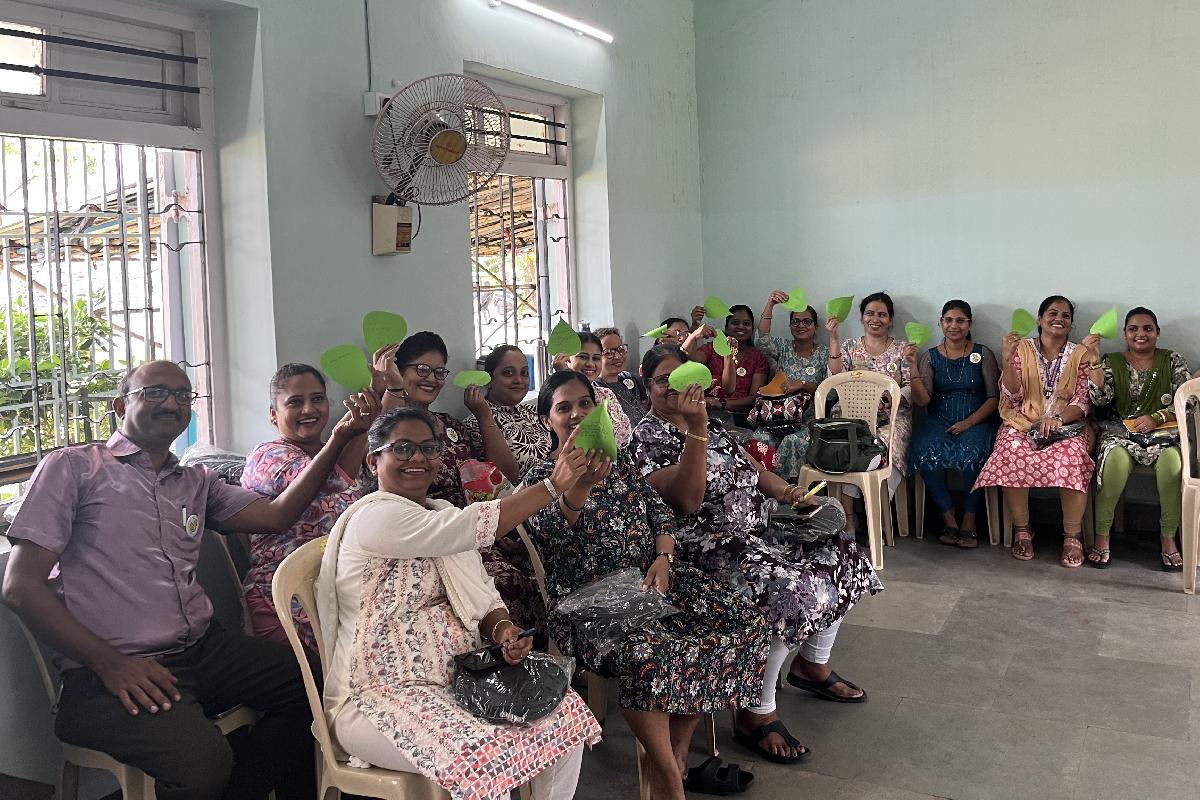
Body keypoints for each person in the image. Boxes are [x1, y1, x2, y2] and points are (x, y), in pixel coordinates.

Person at [2, 360, 379, 800]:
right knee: (203, 764)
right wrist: (111, 664)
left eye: (183, 395)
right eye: (155, 392)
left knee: (313, 687)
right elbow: (20, 586)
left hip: (203, 650)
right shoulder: (75, 468)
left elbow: (276, 516)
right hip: (107, 671)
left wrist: (340, 438)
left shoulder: (195, 482)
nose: (172, 403)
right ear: (120, 406)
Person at [318, 407, 601, 800]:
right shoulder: (375, 517)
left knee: (561, 716)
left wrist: (503, 631)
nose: (417, 458)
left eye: (428, 448)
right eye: (402, 448)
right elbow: (470, 528)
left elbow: (481, 594)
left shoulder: (440, 512)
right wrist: (552, 486)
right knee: (486, 758)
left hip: (461, 678)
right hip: (379, 695)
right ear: (373, 461)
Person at [522, 371, 770, 800]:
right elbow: (556, 535)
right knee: (647, 651)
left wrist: (663, 558)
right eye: (564, 407)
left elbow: (661, 515)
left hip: (651, 579)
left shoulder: (619, 463)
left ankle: (678, 747)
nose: (577, 414)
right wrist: (580, 486)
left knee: (743, 621)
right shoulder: (542, 479)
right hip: (589, 599)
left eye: (585, 403)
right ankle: (668, 776)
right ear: (548, 420)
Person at [631, 345, 882, 766]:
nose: (674, 389)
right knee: (788, 591)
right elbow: (688, 501)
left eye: (681, 379)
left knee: (842, 554)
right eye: (663, 381)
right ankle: (755, 712)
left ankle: (812, 665)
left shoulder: (712, 423)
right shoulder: (647, 439)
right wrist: (696, 430)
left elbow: (754, 470)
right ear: (647, 386)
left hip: (758, 531)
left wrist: (789, 492)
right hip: (705, 549)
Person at [374, 332, 544, 632]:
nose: (431, 379)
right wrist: (392, 387)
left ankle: (528, 652)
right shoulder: (387, 424)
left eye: (439, 372)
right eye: (422, 369)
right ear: (399, 371)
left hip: (476, 527)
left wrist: (483, 415)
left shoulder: (450, 425)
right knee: (504, 584)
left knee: (538, 567)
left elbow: (502, 474)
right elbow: (385, 439)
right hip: (428, 535)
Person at [974, 296, 1096, 567]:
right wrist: (1007, 360)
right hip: (1022, 422)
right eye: (1052, 313)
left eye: (1065, 315)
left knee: (1071, 456)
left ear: (1071, 323)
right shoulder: (1021, 349)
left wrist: (1058, 420)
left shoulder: (1081, 354)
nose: (1059, 319)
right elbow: (1014, 396)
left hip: (1068, 425)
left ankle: (1072, 534)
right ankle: (1023, 529)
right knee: (1009, 451)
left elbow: (1082, 399)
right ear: (1039, 319)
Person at [1084, 307, 1190, 569]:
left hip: (1164, 434)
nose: (1140, 334)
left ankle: (1168, 537)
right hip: (1120, 432)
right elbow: (1100, 400)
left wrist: (1157, 418)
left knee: (1173, 465)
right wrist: (1094, 360)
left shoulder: (1172, 360)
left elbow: (1186, 400)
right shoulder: (1111, 361)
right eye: (1133, 329)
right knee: (1114, 463)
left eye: (1147, 329)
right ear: (1125, 333)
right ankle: (1102, 535)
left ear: (1157, 333)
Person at [909, 301, 1000, 547]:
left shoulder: (983, 353)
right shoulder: (930, 357)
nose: (954, 325)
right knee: (924, 449)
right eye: (948, 320)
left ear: (969, 324)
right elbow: (922, 400)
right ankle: (948, 516)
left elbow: (994, 398)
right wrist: (912, 367)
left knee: (973, 452)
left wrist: (969, 422)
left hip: (977, 419)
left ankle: (970, 519)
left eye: (960, 320)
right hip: (938, 420)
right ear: (941, 323)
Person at [825, 292, 918, 529]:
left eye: (882, 315)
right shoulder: (849, 346)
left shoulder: (902, 349)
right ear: (862, 317)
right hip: (851, 417)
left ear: (891, 319)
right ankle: (849, 517)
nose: (875, 319)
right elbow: (834, 378)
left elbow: (910, 387)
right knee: (850, 443)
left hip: (891, 418)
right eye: (870, 313)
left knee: (881, 443)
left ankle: (875, 515)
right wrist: (834, 339)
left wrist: (891, 397)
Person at [751, 291, 830, 479]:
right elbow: (761, 340)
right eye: (796, 322)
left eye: (807, 322)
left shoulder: (824, 353)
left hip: (808, 421)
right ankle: (760, 487)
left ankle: (790, 489)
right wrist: (770, 304)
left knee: (792, 442)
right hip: (776, 417)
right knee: (760, 438)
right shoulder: (783, 347)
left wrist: (802, 384)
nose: (801, 326)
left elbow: (831, 392)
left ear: (816, 327)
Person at [461, 344, 548, 482]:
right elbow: (502, 478)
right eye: (508, 373)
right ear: (489, 380)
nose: (519, 380)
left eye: (524, 373)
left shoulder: (532, 412)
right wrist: (484, 416)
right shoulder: (476, 422)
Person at [687, 304, 770, 421]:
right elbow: (690, 364)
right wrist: (694, 329)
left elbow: (755, 398)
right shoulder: (711, 348)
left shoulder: (758, 357)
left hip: (740, 416)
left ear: (752, 330)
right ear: (726, 328)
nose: (741, 326)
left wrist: (722, 403)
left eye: (746, 323)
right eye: (735, 322)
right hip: (707, 411)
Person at [552, 331, 634, 447]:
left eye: (596, 358)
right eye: (583, 357)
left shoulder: (606, 394)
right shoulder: (555, 397)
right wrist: (565, 376)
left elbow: (626, 436)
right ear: (567, 359)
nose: (590, 364)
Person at [594, 327, 648, 424]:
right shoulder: (595, 389)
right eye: (608, 352)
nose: (618, 356)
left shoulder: (630, 378)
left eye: (620, 349)